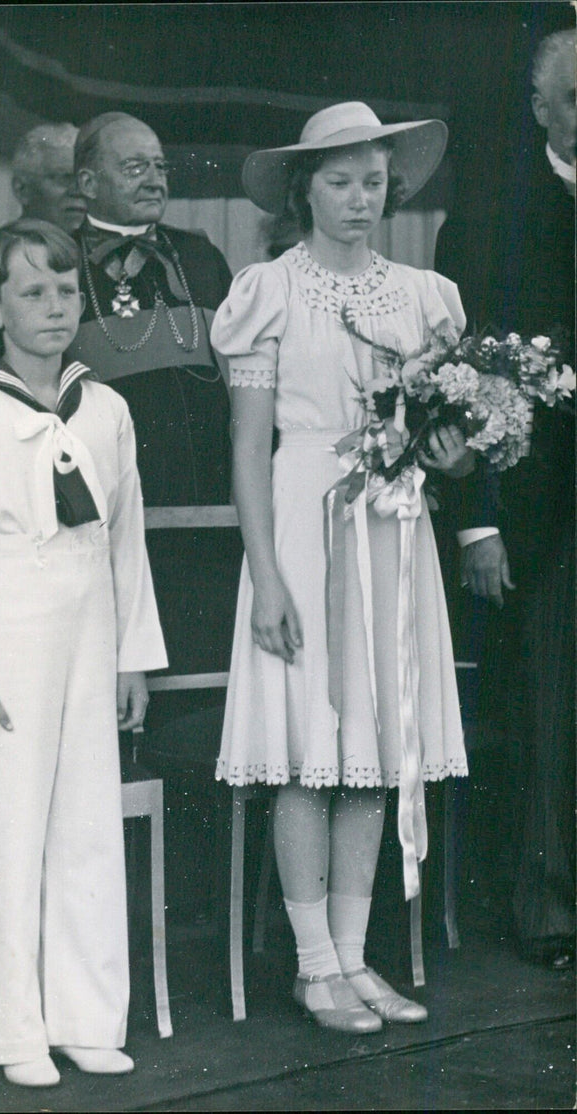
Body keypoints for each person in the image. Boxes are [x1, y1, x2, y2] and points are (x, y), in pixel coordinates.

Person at [212, 102, 473, 1033]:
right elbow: (250, 448)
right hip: (298, 524)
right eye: (339, 182)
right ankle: (312, 968)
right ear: (304, 190)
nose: (360, 200)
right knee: (305, 754)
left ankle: (355, 961)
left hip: (391, 531)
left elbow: (448, 435)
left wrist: (453, 459)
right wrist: (267, 577)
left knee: (372, 754)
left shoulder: (424, 296)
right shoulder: (267, 291)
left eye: (373, 182)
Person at [0, 218, 167, 1086]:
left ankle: (85, 1017)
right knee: (6, 829)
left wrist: (133, 655)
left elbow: (126, 543)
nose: (56, 306)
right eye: (33, 292)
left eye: (67, 290)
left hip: (92, 626)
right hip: (7, 634)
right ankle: (11, 1030)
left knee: (88, 827)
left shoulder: (107, 408)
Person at [436, 27, 575, 969]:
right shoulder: (492, 212)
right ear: (539, 109)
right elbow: (465, 375)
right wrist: (479, 516)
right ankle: (551, 909)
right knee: (554, 706)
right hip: (542, 506)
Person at [69, 111, 233, 507]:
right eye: (134, 167)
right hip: (104, 503)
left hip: (204, 496)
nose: (155, 180)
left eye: (160, 166)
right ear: (88, 183)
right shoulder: (57, 262)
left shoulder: (200, 257)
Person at [11, 121, 87, 233]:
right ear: (22, 190)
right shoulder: (0, 250)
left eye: (86, 180)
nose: (79, 191)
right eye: (65, 178)